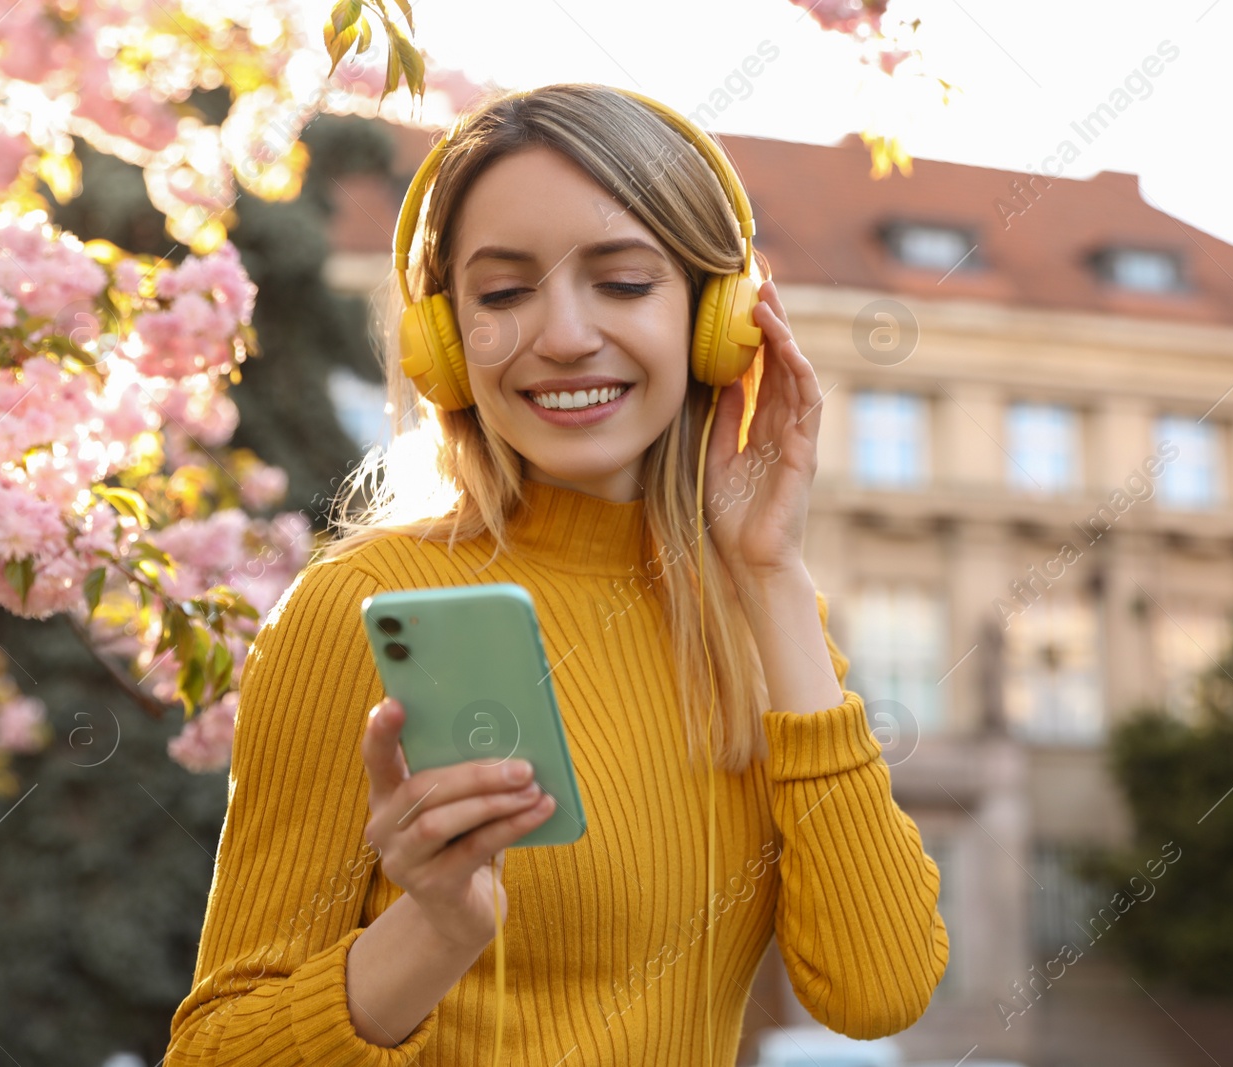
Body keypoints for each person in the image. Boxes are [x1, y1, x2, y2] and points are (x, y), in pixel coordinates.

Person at [166, 82, 948, 1065]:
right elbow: (215, 1049)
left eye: (623, 282)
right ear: (446, 344)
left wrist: (773, 572)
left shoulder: (758, 615)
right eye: (501, 292)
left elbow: (878, 988)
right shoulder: (362, 606)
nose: (565, 334)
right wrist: (435, 928)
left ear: (719, 322)